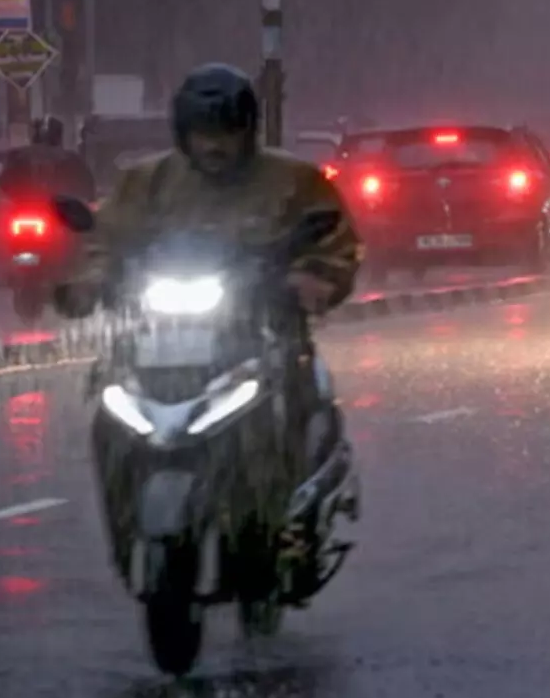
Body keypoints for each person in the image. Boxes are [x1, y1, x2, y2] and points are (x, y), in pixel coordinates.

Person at [58, 62, 363, 467]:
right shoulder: (148, 181)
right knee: (110, 400)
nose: (214, 146)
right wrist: (90, 281)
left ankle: (293, 480)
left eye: (227, 134)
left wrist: (310, 278)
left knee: (292, 389)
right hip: (160, 333)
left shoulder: (293, 180)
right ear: (184, 135)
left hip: (262, 326)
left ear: (247, 132)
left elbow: (334, 240)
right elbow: (108, 236)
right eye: (203, 135)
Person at [0, 115, 97, 203]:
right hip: (60, 209)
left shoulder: (17, 156)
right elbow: (88, 187)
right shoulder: (73, 159)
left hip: (22, 206)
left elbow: (3, 184)